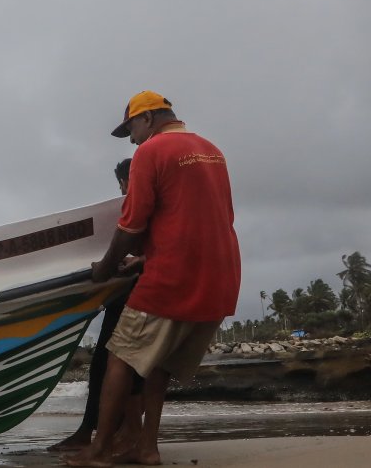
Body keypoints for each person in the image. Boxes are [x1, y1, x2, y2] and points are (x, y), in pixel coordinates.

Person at [66, 91, 241, 468]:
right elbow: (209, 217)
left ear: (147, 118)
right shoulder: (212, 150)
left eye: (131, 128)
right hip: (221, 276)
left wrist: (105, 266)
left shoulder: (151, 151)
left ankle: (97, 452)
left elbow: (131, 224)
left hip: (172, 278)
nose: (131, 139)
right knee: (158, 363)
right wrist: (147, 257)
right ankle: (146, 448)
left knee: (118, 356)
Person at [50, 160, 145, 452]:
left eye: (124, 183)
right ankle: (99, 432)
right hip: (120, 295)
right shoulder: (133, 207)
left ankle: (121, 435)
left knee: (123, 368)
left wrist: (124, 264)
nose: (122, 190)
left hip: (139, 296)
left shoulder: (144, 205)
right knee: (105, 367)